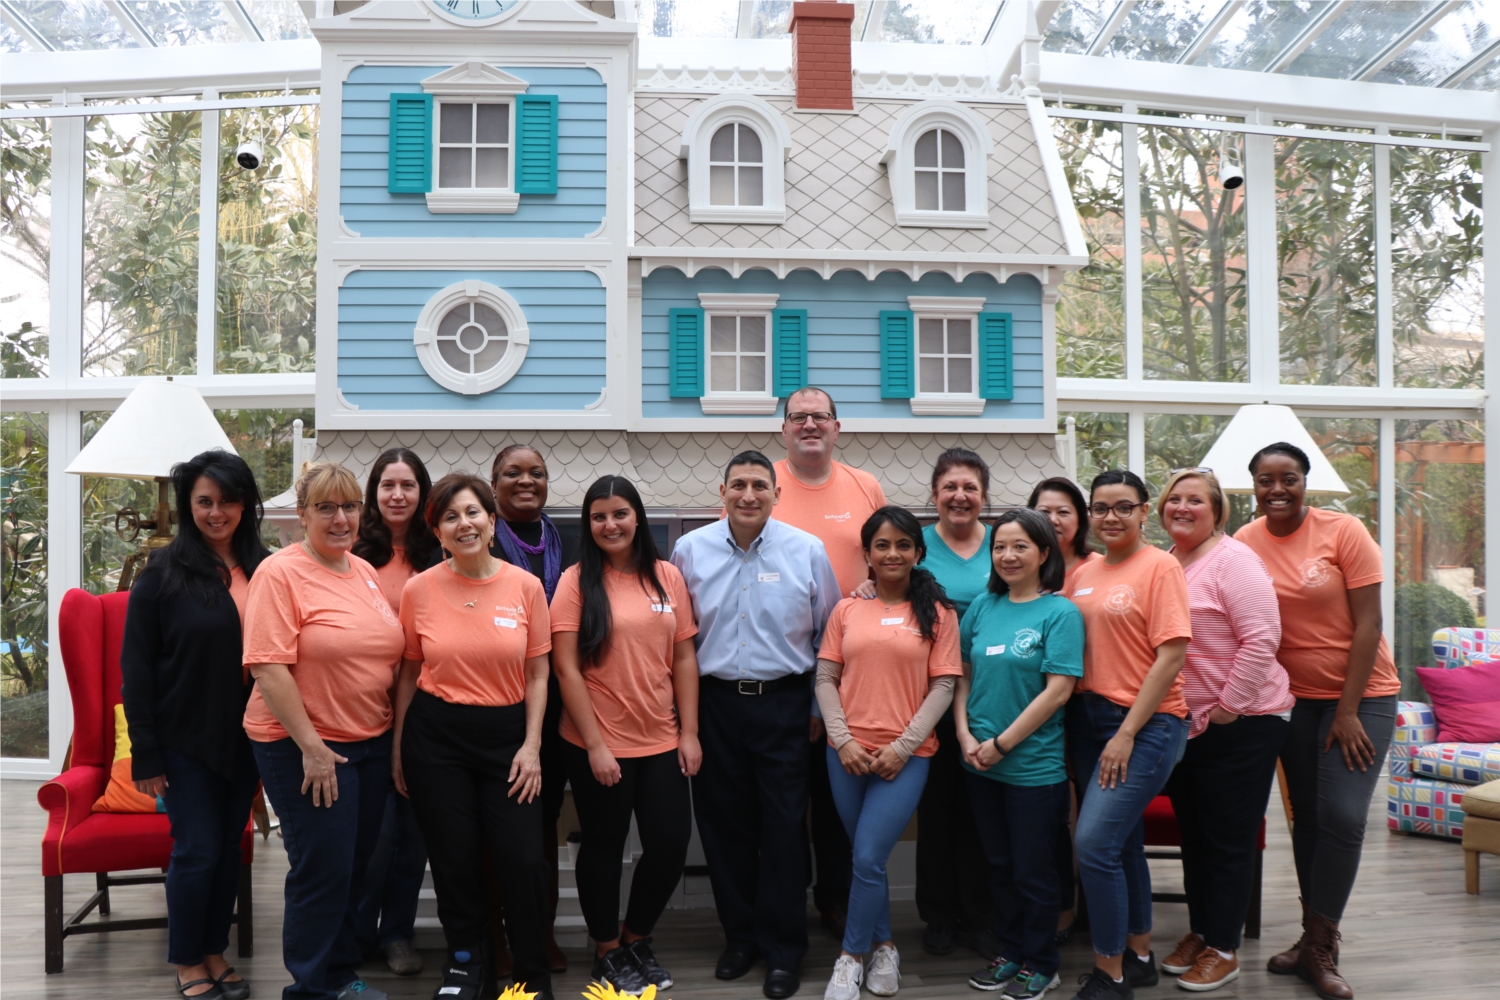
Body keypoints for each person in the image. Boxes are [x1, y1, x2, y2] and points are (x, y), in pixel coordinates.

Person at [671, 450, 841, 1000]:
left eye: (759, 485)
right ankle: (740, 938)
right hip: (716, 705)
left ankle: (785, 950)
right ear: (721, 492)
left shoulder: (807, 550)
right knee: (725, 830)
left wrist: (817, 711)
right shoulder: (688, 550)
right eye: (738, 485)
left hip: (785, 707)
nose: (749, 495)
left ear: (776, 493)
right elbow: (680, 640)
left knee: (785, 830)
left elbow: (828, 641)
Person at [1235, 443, 1399, 1000]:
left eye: (1288, 479)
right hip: (1292, 700)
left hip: (1363, 695)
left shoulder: (1344, 531)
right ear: (1252, 486)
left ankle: (1323, 943)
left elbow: (1370, 623)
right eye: (1265, 480)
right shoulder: (1244, 542)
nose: (1276, 490)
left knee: (1343, 815)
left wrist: (1349, 709)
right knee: (1306, 817)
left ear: (1306, 481)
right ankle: (1312, 941)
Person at [242, 462, 407, 1000]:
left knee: (355, 866)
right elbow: (268, 667)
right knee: (322, 870)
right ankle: (312, 988)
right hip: (305, 747)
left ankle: (340, 974)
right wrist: (312, 748)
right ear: (302, 514)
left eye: (350, 507)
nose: (341, 518)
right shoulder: (280, 573)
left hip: (368, 740)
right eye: (326, 508)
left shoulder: (359, 569)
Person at [392, 473, 554, 1000]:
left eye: (472, 513)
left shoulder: (526, 587)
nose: (463, 524)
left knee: (524, 860)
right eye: (449, 517)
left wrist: (532, 747)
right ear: (437, 532)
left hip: (508, 739)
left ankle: (530, 975)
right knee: (455, 861)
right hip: (436, 739)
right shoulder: (419, 589)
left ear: (492, 521)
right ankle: (467, 967)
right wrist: (399, 750)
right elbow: (410, 671)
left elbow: (538, 674)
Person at [121, 450, 269, 1000]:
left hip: (251, 739)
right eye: (205, 501)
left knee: (229, 847)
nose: (217, 512)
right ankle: (187, 958)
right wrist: (147, 752)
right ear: (188, 505)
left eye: (228, 500)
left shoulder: (267, 568)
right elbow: (135, 669)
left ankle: (214, 950)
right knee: (197, 849)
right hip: (184, 740)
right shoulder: (161, 574)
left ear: (245, 503)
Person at [552, 476, 700, 994]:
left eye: (619, 514)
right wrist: (595, 745)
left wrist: (690, 732)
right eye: (599, 517)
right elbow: (566, 669)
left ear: (637, 517)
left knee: (668, 845)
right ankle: (606, 950)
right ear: (587, 524)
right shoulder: (574, 582)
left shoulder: (667, 578)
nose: (610, 525)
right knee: (604, 847)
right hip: (598, 742)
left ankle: (636, 937)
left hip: (661, 738)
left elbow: (683, 657)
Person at [1155, 469, 1293, 992]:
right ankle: (1202, 931)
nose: (1183, 507)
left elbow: (1262, 638)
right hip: (1189, 726)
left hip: (1245, 722)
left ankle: (1225, 948)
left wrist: (1230, 707)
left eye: (1195, 500)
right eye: (1174, 499)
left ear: (1217, 511)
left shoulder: (1232, 559)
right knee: (1196, 835)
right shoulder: (1168, 560)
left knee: (1227, 839)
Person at [816, 506, 961, 1000]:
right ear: (867, 554)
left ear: (918, 553)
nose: (892, 552)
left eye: (903, 544)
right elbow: (825, 678)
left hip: (908, 757)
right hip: (847, 755)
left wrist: (902, 747)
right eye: (882, 545)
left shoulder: (938, 615)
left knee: (869, 855)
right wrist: (842, 740)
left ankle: (849, 958)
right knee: (865, 860)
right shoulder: (845, 609)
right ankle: (886, 946)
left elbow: (943, 686)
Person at [1064, 470, 1191, 1000]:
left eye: (1123, 507)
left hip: (1146, 724)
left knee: (1093, 844)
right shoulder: (1085, 571)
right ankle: (1138, 956)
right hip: (1086, 722)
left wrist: (1128, 733)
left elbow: (1172, 655)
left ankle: (1109, 974)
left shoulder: (1160, 567)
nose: (1110, 518)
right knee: (1123, 844)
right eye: (1100, 508)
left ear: (1144, 512)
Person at [954, 509, 1083, 999]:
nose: (1007, 555)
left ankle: (1041, 962)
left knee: (1034, 872)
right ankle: (1009, 953)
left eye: (1020, 546)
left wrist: (1001, 744)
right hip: (979, 764)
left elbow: (1058, 692)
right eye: (1000, 547)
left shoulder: (1060, 613)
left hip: (1032, 769)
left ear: (1044, 553)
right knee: (1000, 866)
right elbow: (963, 675)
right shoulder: (985, 606)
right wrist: (966, 736)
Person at [773, 386, 886, 938]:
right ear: (784, 429)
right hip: (786, 667)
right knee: (789, 799)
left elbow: (891, 552)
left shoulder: (866, 486)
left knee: (841, 793)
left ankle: (838, 899)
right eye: (799, 417)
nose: (810, 425)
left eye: (820, 417)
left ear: (837, 428)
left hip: (855, 668)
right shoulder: (762, 484)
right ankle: (785, 905)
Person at [901, 449, 1000, 958]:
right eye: (950, 487)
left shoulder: (1001, 545)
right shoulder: (919, 548)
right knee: (937, 813)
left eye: (970, 487)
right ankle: (938, 915)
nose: (960, 496)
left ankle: (979, 917)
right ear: (935, 495)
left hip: (994, 700)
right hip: (931, 700)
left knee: (980, 813)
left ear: (984, 495)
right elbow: (889, 586)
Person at [487, 443, 580, 974]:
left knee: (541, 829)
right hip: (495, 706)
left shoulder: (564, 543)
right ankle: (495, 939)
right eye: (513, 473)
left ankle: (538, 935)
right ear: (493, 483)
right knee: (494, 833)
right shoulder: (479, 539)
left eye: (537, 473)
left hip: (553, 707)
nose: (526, 481)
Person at [351, 449, 440, 978]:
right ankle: (359, 933)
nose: (398, 495)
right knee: (372, 837)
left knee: (413, 835)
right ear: (374, 493)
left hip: (427, 714)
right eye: (388, 485)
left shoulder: (438, 555)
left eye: (408, 485)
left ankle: (399, 934)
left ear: (423, 494)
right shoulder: (355, 555)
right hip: (363, 712)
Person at [1027, 475, 1096, 946]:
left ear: (1080, 519)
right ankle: (1061, 909)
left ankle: (1096, 910)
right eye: (1044, 511)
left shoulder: (1098, 567)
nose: (1053, 520)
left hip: (1092, 707)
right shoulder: (1024, 568)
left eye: (1064, 512)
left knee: (1094, 818)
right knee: (1055, 818)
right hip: (1036, 709)